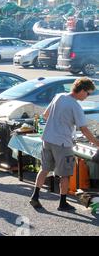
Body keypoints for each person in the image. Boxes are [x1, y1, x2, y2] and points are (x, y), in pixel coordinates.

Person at [30, 78, 99, 211]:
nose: (87, 96)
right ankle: (62, 203)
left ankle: (35, 196)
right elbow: (84, 130)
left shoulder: (59, 96)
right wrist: (97, 143)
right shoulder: (76, 106)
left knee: (44, 169)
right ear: (82, 90)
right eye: (88, 93)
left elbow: (45, 115)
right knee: (65, 174)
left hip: (47, 138)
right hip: (62, 143)